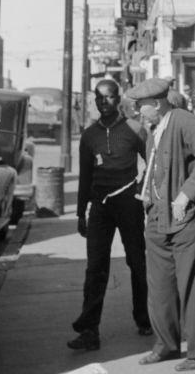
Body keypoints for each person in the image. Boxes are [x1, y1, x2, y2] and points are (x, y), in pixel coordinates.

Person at [127, 77, 195, 371]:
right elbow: (157, 167)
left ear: (156, 104)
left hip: (188, 217)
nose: (138, 112)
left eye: (141, 107)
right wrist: (146, 193)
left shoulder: (183, 121)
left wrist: (184, 196)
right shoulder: (154, 128)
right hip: (158, 218)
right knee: (160, 288)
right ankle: (166, 344)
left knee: (191, 285)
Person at [68, 78, 151, 352]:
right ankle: (90, 331)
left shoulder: (135, 129)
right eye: (99, 98)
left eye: (109, 97)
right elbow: (85, 177)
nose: (103, 102)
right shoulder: (89, 136)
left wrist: (143, 189)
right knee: (95, 268)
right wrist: (81, 213)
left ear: (119, 99)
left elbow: (153, 164)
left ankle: (145, 318)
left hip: (128, 202)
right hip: (100, 207)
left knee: (137, 262)